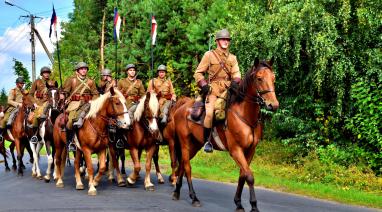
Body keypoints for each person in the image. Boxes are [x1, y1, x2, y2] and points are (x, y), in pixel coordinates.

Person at [193, 29, 241, 153]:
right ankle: (207, 141)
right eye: (223, 39)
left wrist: (235, 82)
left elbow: (237, 74)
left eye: (227, 40)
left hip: (228, 89)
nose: (226, 41)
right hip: (212, 89)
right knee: (209, 114)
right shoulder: (209, 55)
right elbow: (198, 73)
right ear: (217, 41)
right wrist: (203, 84)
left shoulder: (232, 58)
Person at [60, 62, 99, 151]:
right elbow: (66, 91)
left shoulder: (90, 81)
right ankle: (70, 142)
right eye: (81, 69)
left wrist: (93, 101)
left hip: (88, 103)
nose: (84, 70)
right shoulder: (71, 80)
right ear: (77, 71)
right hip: (75, 103)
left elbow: (96, 93)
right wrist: (63, 95)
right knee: (70, 121)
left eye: (85, 69)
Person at [29, 66, 57, 139]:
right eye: (45, 73)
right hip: (40, 103)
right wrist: (34, 103)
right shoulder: (37, 82)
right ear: (42, 74)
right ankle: (35, 135)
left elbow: (56, 92)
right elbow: (30, 94)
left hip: (51, 102)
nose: (47, 74)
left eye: (48, 73)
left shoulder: (52, 82)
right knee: (36, 117)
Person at [0, 77, 26, 141]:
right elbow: (9, 101)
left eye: (23, 83)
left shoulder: (24, 91)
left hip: (24, 108)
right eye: (21, 83)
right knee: (5, 120)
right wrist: (18, 104)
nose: (22, 84)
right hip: (13, 108)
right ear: (17, 84)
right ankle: (0, 134)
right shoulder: (13, 91)